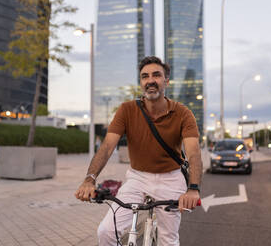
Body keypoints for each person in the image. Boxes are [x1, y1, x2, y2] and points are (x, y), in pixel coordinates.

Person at [75, 56, 203, 246]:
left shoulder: (183, 113)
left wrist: (193, 189)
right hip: (137, 178)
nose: (150, 80)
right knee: (106, 232)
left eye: (156, 75)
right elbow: (108, 146)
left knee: (168, 239)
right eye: (145, 76)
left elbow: (193, 154)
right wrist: (89, 179)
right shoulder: (127, 110)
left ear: (166, 81)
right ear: (141, 83)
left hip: (171, 177)